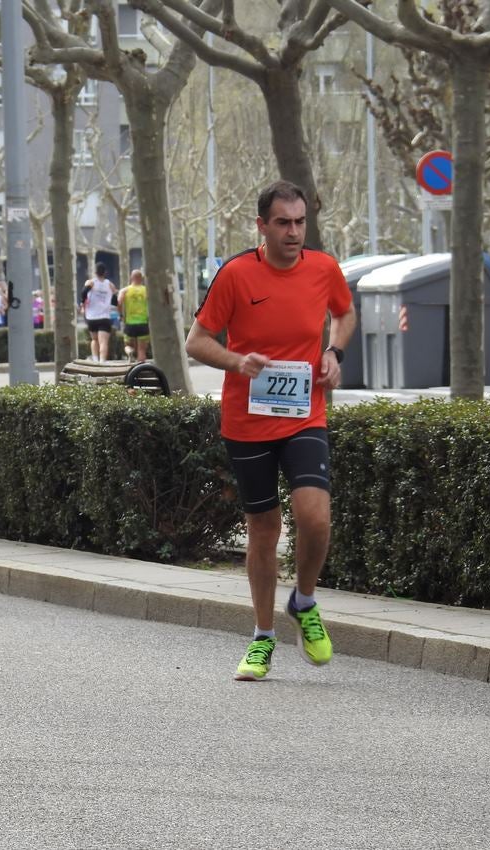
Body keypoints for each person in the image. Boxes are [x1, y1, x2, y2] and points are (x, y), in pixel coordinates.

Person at [184, 179, 357, 682]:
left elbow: (344, 315)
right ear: (262, 225)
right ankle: (262, 638)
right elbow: (197, 341)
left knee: (315, 517)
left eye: (300, 222)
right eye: (283, 222)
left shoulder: (324, 269)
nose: (293, 232)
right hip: (247, 421)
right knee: (264, 529)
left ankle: (303, 601)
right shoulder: (236, 274)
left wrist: (334, 352)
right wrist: (239, 361)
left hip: (305, 415)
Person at [81, 262, 116, 361]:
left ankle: (95, 360)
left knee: (94, 339)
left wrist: (83, 303)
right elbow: (115, 298)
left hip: (91, 317)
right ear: (105, 272)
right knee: (103, 342)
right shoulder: (109, 284)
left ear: (95, 272)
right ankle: (102, 362)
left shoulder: (91, 282)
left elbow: (83, 292)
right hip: (104, 316)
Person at [118, 269, 150, 361]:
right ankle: (140, 371)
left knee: (128, 345)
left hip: (130, 323)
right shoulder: (146, 290)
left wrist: (121, 315)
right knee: (142, 350)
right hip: (143, 323)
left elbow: (119, 302)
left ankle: (130, 352)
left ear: (131, 277)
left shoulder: (125, 290)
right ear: (141, 278)